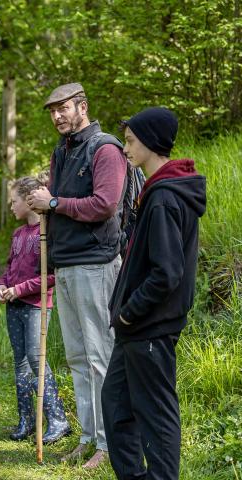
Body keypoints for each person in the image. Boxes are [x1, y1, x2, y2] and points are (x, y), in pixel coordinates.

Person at [102, 108, 206, 480]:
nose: (125, 149)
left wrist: (130, 311)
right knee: (115, 406)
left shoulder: (163, 197)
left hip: (149, 325)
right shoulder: (155, 192)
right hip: (135, 328)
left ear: (150, 143)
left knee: (156, 413)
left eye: (130, 142)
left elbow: (167, 272)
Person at [28, 82, 127, 468]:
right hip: (66, 264)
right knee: (78, 358)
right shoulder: (61, 151)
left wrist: (52, 201)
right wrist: (45, 203)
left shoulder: (106, 147)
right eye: (52, 111)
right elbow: (59, 204)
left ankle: (109, 445)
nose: (57, 116)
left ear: (82, 106)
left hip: (97, 263)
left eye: (63, 108)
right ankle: (88, 438)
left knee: (101, 355)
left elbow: (105, 204)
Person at [0, 174, 71, 443]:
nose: (11, 206)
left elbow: (52, 275)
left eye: (14, 200)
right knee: (21, 361)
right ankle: (26, 420)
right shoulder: (18, 234)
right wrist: (3, 286)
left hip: (36, 305)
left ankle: (58, 419)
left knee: (35, 358)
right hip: (14, 305)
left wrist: (21, 289)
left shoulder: (47, 233)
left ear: (30, 200)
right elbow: (9, 266)